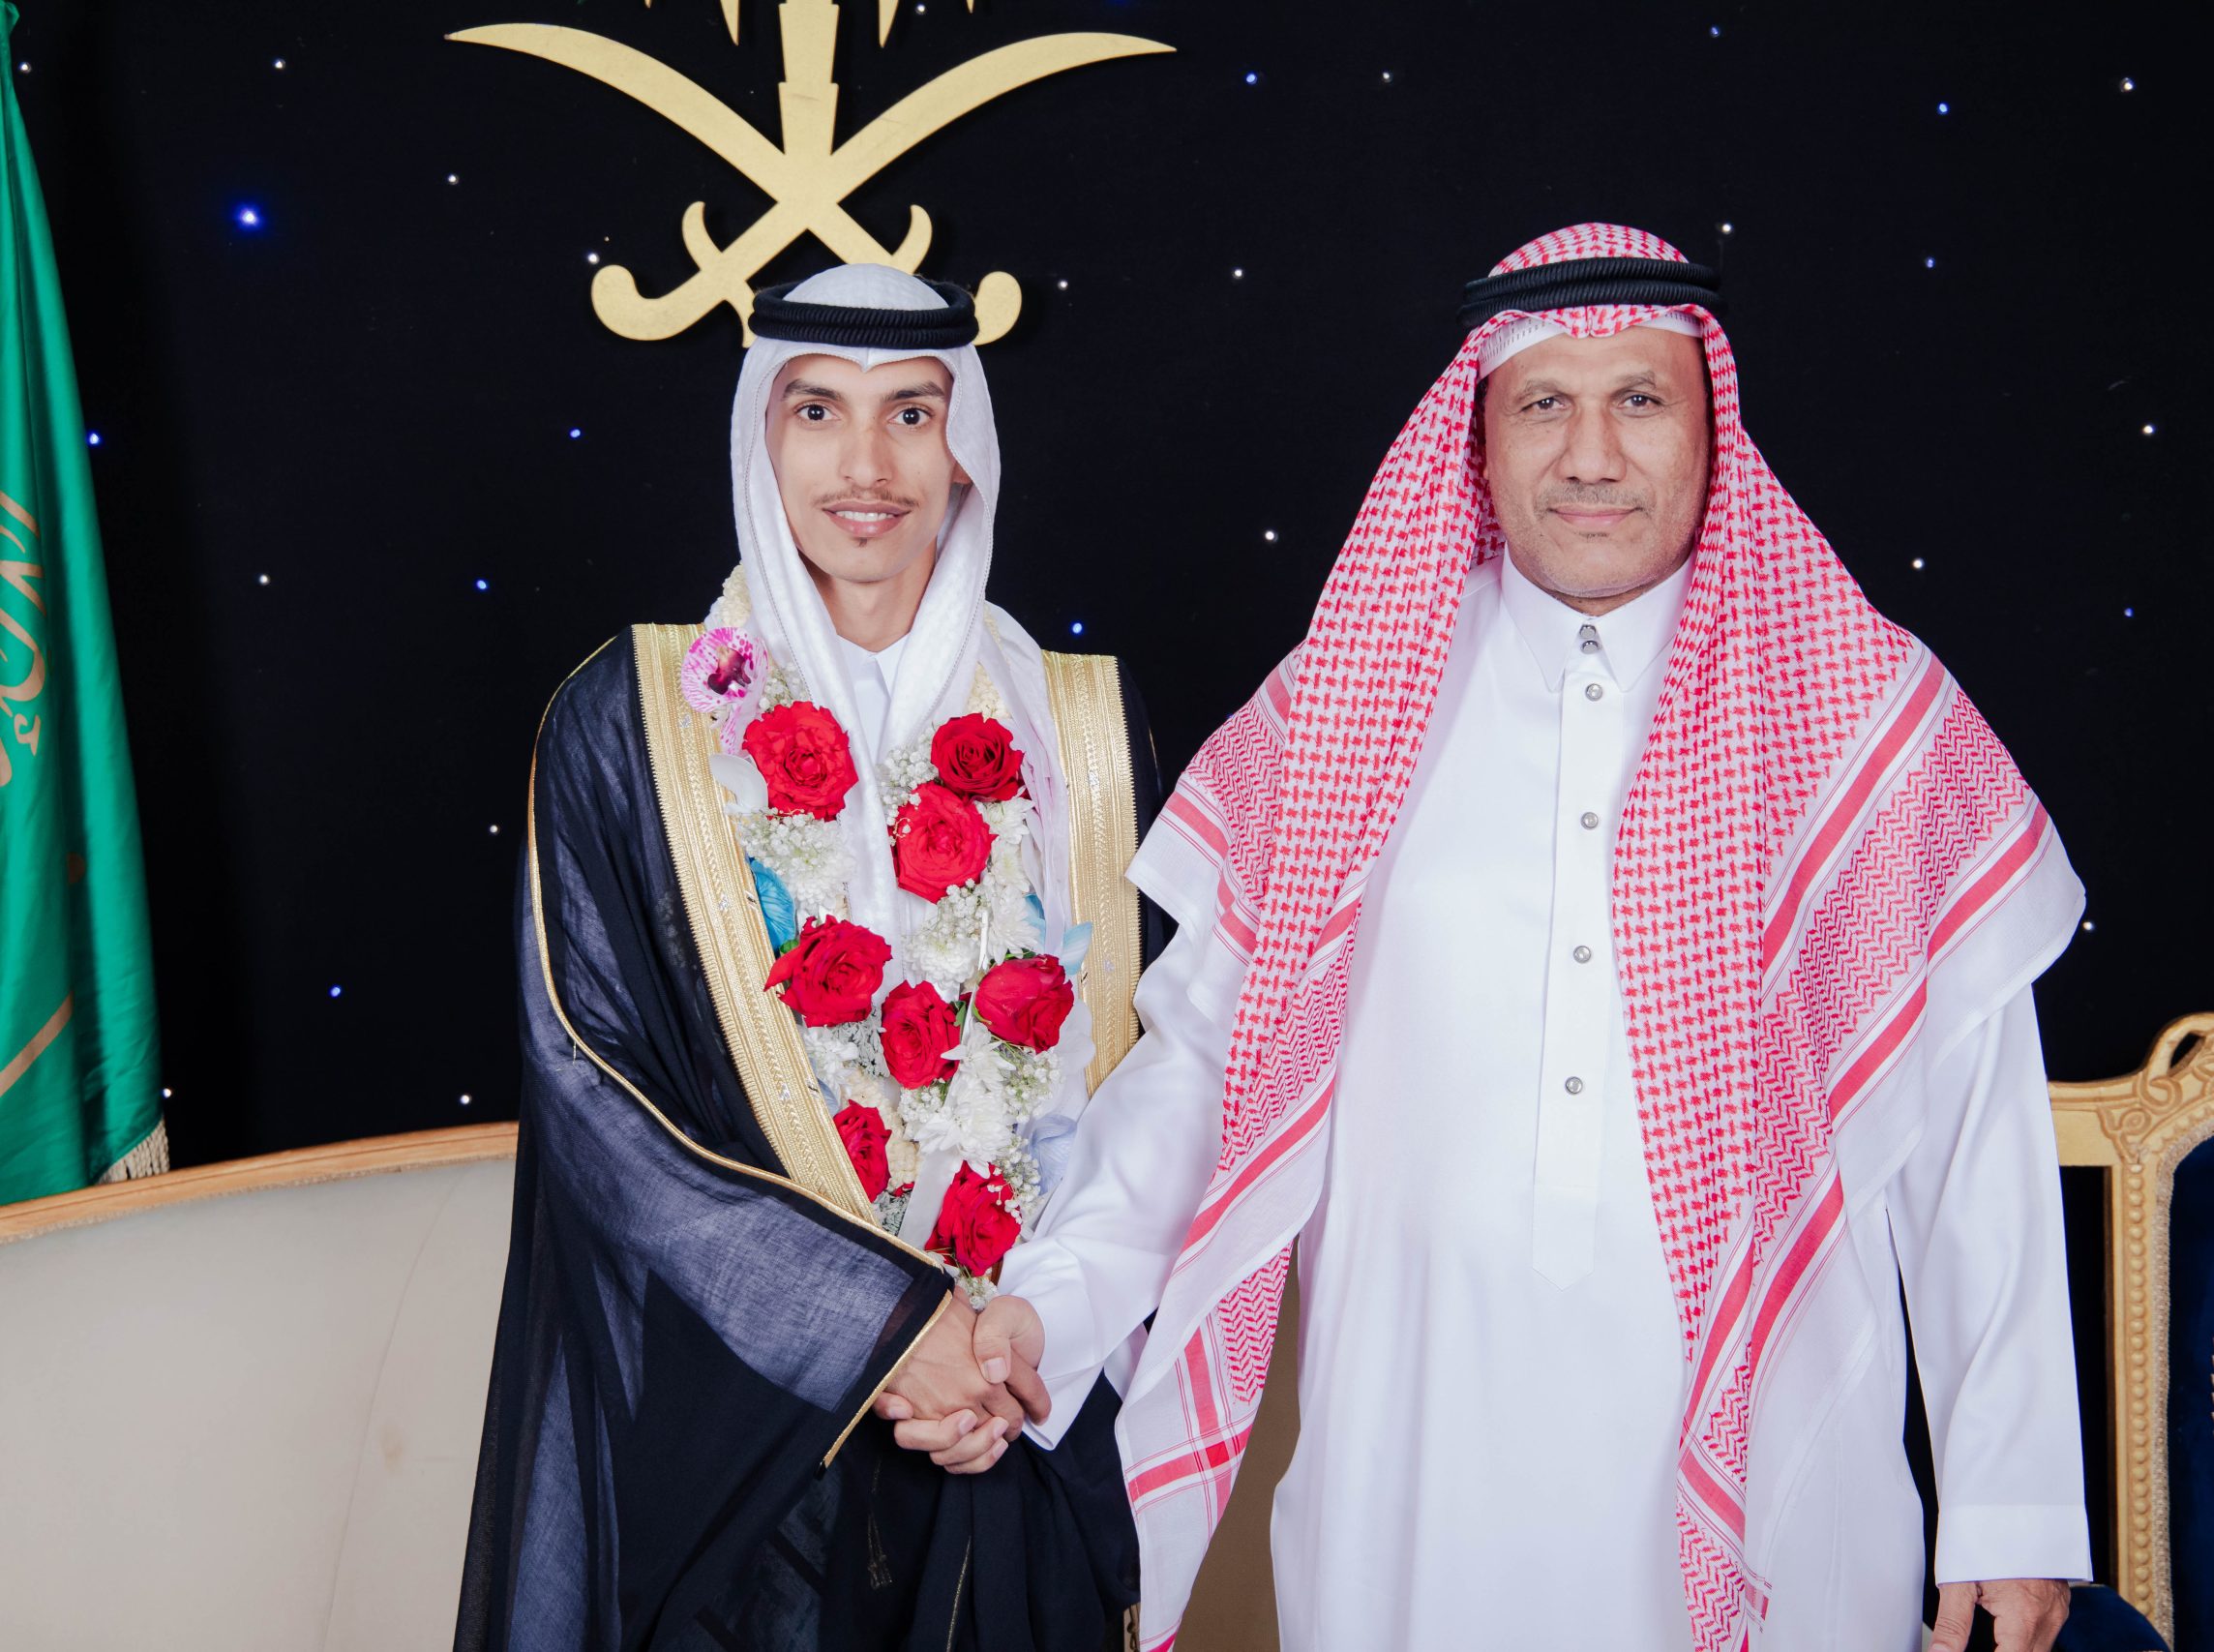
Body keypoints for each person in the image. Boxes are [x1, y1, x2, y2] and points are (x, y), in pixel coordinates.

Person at [943, 225, 2090, 1652]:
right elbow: (1200, 1077)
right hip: (1412, 1468)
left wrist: (2012, 1505)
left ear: (1714, 431)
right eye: (1545, 403)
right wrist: (1048, 1312)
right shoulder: (1347, 703)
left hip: (1785, 1472)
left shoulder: (1868, 715)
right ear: (1478, 445)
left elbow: (1977, 1137)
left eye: (1640, 400)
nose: (1591, 455)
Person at [455, 263, 1159, 1652]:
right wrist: (877, 1330)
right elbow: (593, 1089)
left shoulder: (1077, 722)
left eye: (913, 414)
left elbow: (1149, 1071)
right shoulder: (630, 721)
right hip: (744, 1433)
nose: (867, 467)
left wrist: (1030, 1330)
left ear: (968, 448)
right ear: (757, 439)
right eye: (818, 410)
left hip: (1011, 1405)